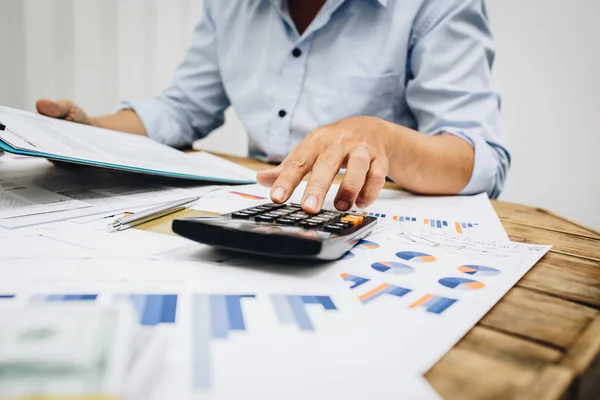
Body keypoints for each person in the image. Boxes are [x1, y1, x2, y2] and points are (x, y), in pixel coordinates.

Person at [36, 0, 509, 214]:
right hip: (260, 206)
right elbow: (183, 107)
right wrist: (87, 129)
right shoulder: (230, 6)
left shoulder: (437, 5)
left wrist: (379, 136)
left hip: (375, 219)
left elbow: (481, 160)